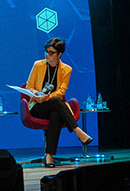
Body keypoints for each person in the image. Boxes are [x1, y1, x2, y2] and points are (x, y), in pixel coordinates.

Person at [25, 37, 93, 168]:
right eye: (46, 52)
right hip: (38, 106)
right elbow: (28, 86)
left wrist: (47, 97)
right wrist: (38, 95)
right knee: (56, 101)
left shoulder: (66, 69)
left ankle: (49, 155)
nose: (47, 55)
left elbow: (61, 91)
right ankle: (77, 130)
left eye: (51, 53)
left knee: (56, 114)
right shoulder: (38, 65)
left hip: (55, 106)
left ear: (59, 54)